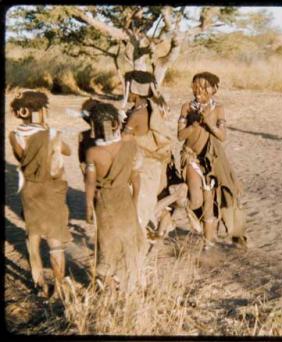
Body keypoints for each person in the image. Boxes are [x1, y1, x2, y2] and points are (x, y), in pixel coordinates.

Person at [8, 90, 72, 297]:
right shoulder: (52, 134)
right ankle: (60, 285)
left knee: (32, 237)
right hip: (52, 190)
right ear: (40, 111)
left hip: (30, 189)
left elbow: (21, 158)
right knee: (55, 240)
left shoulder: (15, 135)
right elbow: (67, 151)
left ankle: (40, 285)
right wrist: (47, 132)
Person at [178, 72, 246, 249]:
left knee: (210, 200)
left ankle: (208, 242)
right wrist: (193, 125)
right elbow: (180, 135)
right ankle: (175, 199)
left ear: (214, 89)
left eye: (204, 87)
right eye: (196, 87)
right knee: (196, 200)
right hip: (191, 157)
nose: (199, 90)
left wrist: (207, 122)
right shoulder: (186, 107)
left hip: (212, 160)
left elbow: (222, 136)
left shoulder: (218, 109)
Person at [84, 102, 147, 292]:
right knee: (129, 240)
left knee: (107, 242)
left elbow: (90, 183)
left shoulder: (93, 153)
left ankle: (109, 285)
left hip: (104, 202)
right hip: (125, 199)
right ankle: (130, 283)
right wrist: (134, 202)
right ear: (116, 124)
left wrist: (88, 205)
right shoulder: (130, 145)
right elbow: (135, 179)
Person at [121, 70, 173, 238]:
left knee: (138, 215)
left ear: (134, 89)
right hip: (151, 165)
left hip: (144, 167)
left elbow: (124, 141)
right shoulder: (149, 107)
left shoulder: (137, 114)